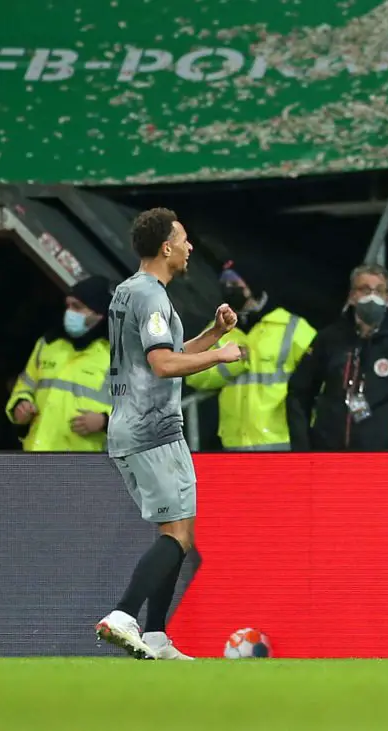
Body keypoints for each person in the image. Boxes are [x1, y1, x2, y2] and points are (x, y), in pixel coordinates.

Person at [96, 207, 243, 660]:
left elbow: (165, 353)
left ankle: (158, 637)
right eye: (183, 239)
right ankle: (124, 615)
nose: (189, 246)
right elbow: (163, 365)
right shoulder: (152, 297)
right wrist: (220, 355)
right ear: (166, 247)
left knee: (176, 529)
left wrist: (213, 334)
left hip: (127, 426)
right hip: (154, 430)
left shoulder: (128, 291)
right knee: (177, 533)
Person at [286, 264, 388, 451]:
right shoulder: (330, 339)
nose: (372, 296)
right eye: (364, 289)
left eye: (379, 291)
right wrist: (303, 448)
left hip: (384, 458)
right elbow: (298, 392)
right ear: (352, 296)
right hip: (328, 456)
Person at [186, 262, 316, 450]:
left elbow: (321, 379)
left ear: (252, 283)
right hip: (235, 446)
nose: (228, 287)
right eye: (224, 283)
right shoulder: (218, 329)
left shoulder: (293, 328)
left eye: (234, 282)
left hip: (282, 445)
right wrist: (233, 361)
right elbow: (191, 373)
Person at [5, 276, 114, 451]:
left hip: (83, 463)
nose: (69, 313)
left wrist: (104, 421)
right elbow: (24, 386)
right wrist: (21, 404)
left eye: (77, 307)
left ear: (98, 313)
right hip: (34, 454)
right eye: (68, 306)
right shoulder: (48, 344)